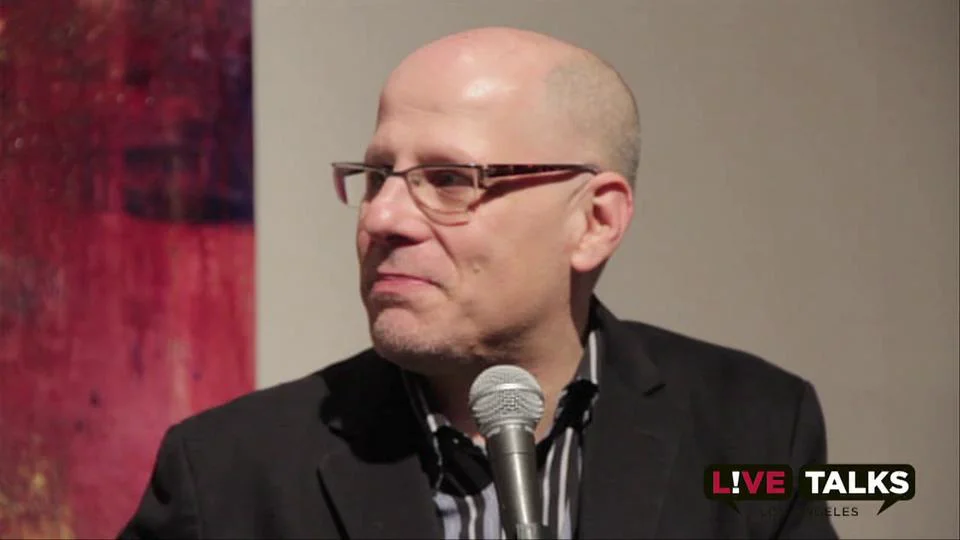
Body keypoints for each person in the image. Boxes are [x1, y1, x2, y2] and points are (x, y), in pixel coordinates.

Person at [118, 27, 838, 539]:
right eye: (377, 176)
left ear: (594, 221)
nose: (383, 217)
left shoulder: (756, 428)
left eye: (450, 179)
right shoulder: (227, 472)